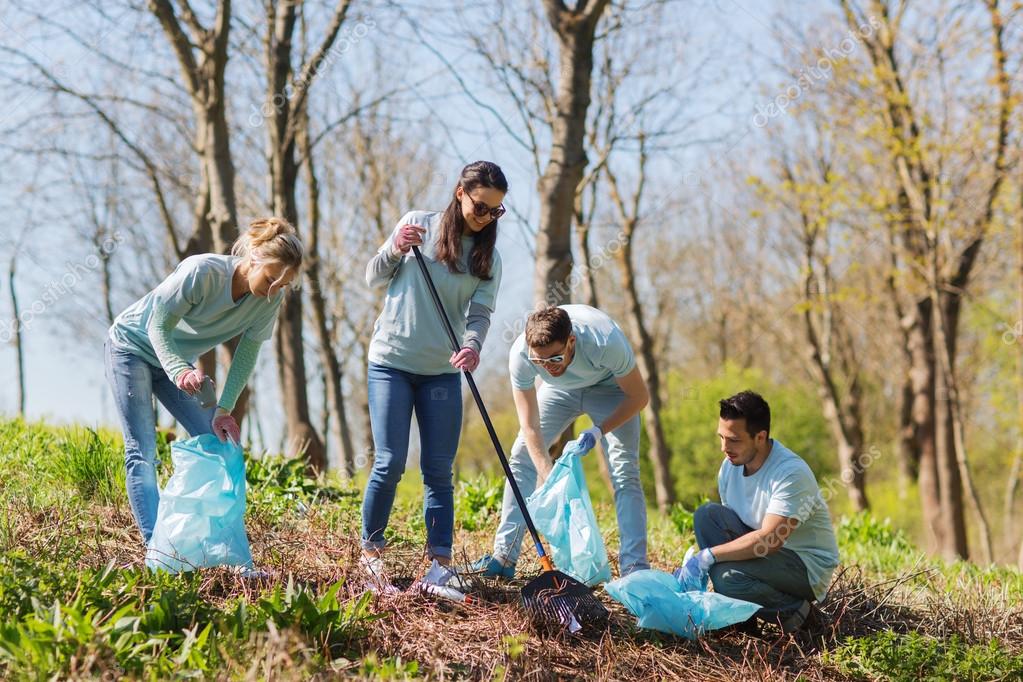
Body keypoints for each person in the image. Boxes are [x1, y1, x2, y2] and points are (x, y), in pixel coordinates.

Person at [105, 218, 302, 543]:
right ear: (253, 258)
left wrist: (224, 409)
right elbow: (158, 326)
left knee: (215, 443)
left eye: (282, 285)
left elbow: (246, 355)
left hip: (176, 363)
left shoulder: (270, 301)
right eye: (270, 279)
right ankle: (157, 548)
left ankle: (210, 543)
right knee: (143, 450)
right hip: (132, 347)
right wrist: (179, 370)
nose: (274, 291)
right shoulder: (202, 272)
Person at [360, 160, 507, 590]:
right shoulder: (416, 227)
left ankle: (439, 564)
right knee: (389, 462)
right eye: (481, 206)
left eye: (495, 212)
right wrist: (393, 248)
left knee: (439, 468)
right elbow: (374, 277)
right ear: (460, 192)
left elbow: (479, 314)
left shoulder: (488, 258)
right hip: (391, 363)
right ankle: (371, 554)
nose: (485, 218)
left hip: (442, 372)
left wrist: (473, 346)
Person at [474, 304, 651, 578]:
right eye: (540, 362)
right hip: (560, 392)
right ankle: (504, 556)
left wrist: (598, 431)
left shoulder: (605, 340)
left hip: (611, 389)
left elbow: (639, 397)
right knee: (522, 455)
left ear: (571, 342)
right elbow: (530, 425)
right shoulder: (522, 355)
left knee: (624, 471)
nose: (547, 367)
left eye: (554, 360)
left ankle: (635, 569)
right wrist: (549, 476)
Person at [674, 390, 839, 633]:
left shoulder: (790, 473)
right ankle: (741, 621)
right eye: (721, 437)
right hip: (766, 550)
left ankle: (799, 616)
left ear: (760, 437)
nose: (724, 447)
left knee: (726, 575)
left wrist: (707, 556)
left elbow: (770, 540)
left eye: (734, 440)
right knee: (706, 516)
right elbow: (730, 529)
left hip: (803, 565)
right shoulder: (730, 466)